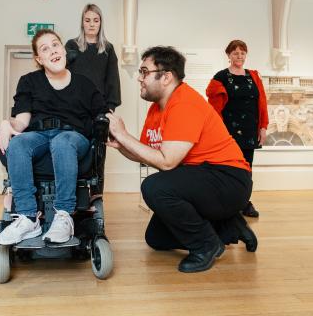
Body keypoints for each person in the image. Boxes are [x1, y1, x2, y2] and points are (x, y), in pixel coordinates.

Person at [106, 46, 257, 274]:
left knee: (154, 187)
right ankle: (228, 226)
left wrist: (125, 136)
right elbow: (148, 155)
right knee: (156, 238)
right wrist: (121, 144)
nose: (139, 78)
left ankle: (207, 245)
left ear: (166, 77)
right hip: (203, 179)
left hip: (229, 180)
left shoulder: (184, 103)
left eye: (144, 72)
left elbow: (166, 162)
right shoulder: (157, 109)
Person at [0, 29, 107, 245]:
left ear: (63, 49)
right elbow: (23, 121)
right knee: (18, 143)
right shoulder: (29, 81)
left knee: (62, 141)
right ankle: (28, 218)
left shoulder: (84, 84)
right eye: (45, 49)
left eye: (56, 45)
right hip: (39, 135)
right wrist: (7, 123)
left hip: (73, 137)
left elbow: (104, 116)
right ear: (39, 59)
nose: (53, 50)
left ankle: (64, 215)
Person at [206, 40, 268, 218]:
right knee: (229, 167)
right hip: (228, 132)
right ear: (228, 56)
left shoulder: (254, 76)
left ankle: (245, 203)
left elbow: (262, 103)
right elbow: (214, 107)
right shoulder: (221, 77)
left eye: (242, 53)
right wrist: (216, 132)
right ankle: (228, 203)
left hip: (249, 131)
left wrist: (263, 127)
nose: (239, 56)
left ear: (246, 55)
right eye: (235, 53)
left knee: (247, 168)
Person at [65, 3, 121, 110]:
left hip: (99, 105)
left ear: (100, 23)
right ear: (82, 23)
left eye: (96, 20)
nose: (92, 24)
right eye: (87, 20)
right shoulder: (71, 45)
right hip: (74, 104)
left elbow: (113, 80)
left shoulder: (108, 49)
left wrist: (110, 107)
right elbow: (63, 74)